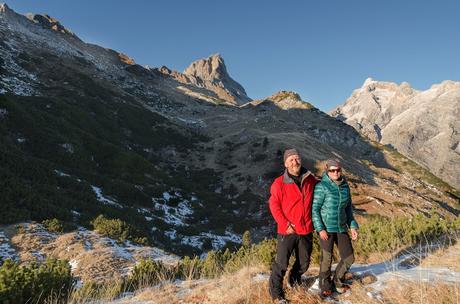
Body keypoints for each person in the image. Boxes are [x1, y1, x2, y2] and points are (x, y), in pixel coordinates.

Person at [268, 148, 318, 303]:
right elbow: (274, 205)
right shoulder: (279, 183)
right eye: (291, 160)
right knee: (282, 263)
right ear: (285, 163)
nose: (295, 162)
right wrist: (284, 223)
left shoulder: (310, 179)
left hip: (306, 228)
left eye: (297, 158)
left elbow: (322, 191)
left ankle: (293, 281)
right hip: (287, 230)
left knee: (304, 262)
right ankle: (276, 294)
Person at [312, 159, 359, 298]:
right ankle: (325, 286)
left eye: (338, 170)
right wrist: (320, 228)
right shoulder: (322, 186)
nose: (336, 172)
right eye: (332, 170)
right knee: (327, 259)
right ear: (327, 171)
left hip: (341, 227)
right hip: (326, 228)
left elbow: (348, 209)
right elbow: (315, 209)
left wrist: (353, 226)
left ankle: (338, 282)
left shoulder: (345, 186)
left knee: (349, 257)